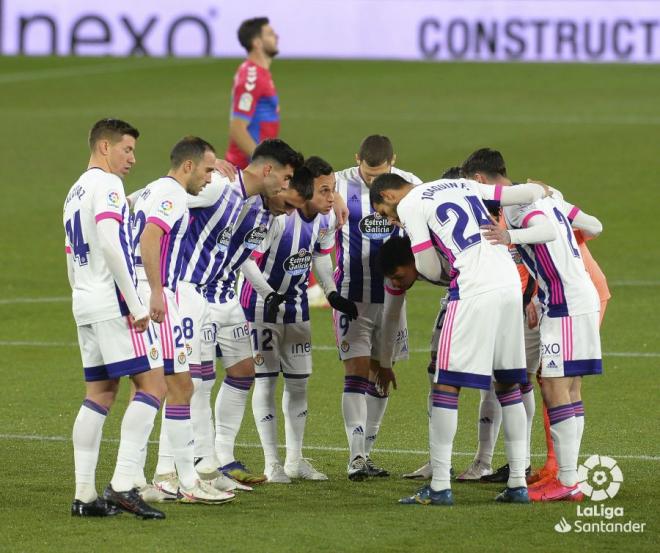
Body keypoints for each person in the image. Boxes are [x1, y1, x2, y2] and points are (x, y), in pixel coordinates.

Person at [370, 172, 551, 505]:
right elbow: (519, 193)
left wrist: (445, 277)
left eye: (383, 211)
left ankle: (439, 485)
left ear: (389, 195)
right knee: (509, 384)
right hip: (509, 282)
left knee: (445, 384)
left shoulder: (410, 203)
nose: (389, 220)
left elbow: (424, 262)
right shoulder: (462, 184)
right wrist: (540, 188)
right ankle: (517, 484)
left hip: (472, 287)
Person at [177, 139, 304, 485]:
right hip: (197, 295)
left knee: (243, 371)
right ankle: (199, 461)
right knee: (198, 382)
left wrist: (267, 292)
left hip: (227, 298)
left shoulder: (265, 212)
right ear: (269, 173)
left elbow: (241, 254)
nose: (288, 201)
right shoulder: (227, 191)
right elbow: (170, 193)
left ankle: (223, 454)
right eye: (287, 188)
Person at [64, 118, 167, 519]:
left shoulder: (74, 191)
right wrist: (136, 304)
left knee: (100, 395)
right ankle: (125, 483)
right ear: (104, 147)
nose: (132, 159)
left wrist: (81, 295)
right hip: (113, 302)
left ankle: (85, 496)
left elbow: (72, 254)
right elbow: (110, 241)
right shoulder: (107, 185)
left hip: (85, 301)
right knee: (154, 384)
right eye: (127, 149)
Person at [482, 173, 604, 501]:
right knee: (570, 388)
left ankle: (565, 481)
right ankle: (569, 478)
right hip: (577, 298)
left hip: (565, 305)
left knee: (554, 387)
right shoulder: (552, 198)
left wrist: (510, 235)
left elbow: (546, 231)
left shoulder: (520, 206)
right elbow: (595, 227)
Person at [239, 157, 358, 482]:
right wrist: (268, 294)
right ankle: (271, 463)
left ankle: (294, 460)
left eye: (333, 189)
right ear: (305, 191)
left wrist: (332, 293)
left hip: (296, 306)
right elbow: (246, 260)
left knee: (299, 382)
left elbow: (320, 256)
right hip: (261, 306)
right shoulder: (278, 218)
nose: (331, 197)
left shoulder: (326, 217)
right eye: (324, 190)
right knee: (266, 380)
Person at [132, 136, 234, 504]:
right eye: (207, 170)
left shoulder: (149, 191)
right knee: (181, 387)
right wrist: (158, 291)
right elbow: (149, 236)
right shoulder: (172, 194)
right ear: (187, 166)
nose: (211, 178)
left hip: (140, 291)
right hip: (157, 293)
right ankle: (183, 481)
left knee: (148, 388)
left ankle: (137, 478)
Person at [334, 135, 422, 480]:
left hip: (393, 295)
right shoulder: (338, 183)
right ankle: (355, 458)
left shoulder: (410, 185)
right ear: (357, 159)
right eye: (367, 174)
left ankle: (367, 452)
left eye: (379, 174)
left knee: (382, 375)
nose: (372, 181)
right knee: (356, 371)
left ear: (393, 162)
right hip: (351, 292)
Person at [225, 17, 280, 169]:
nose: (276, 36)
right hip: (246, 170)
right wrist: (263, 164)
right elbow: (237, 127)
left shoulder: (259, 73)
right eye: (269, 34)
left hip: (253, 168)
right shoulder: (252, 77)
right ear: (257, 42)